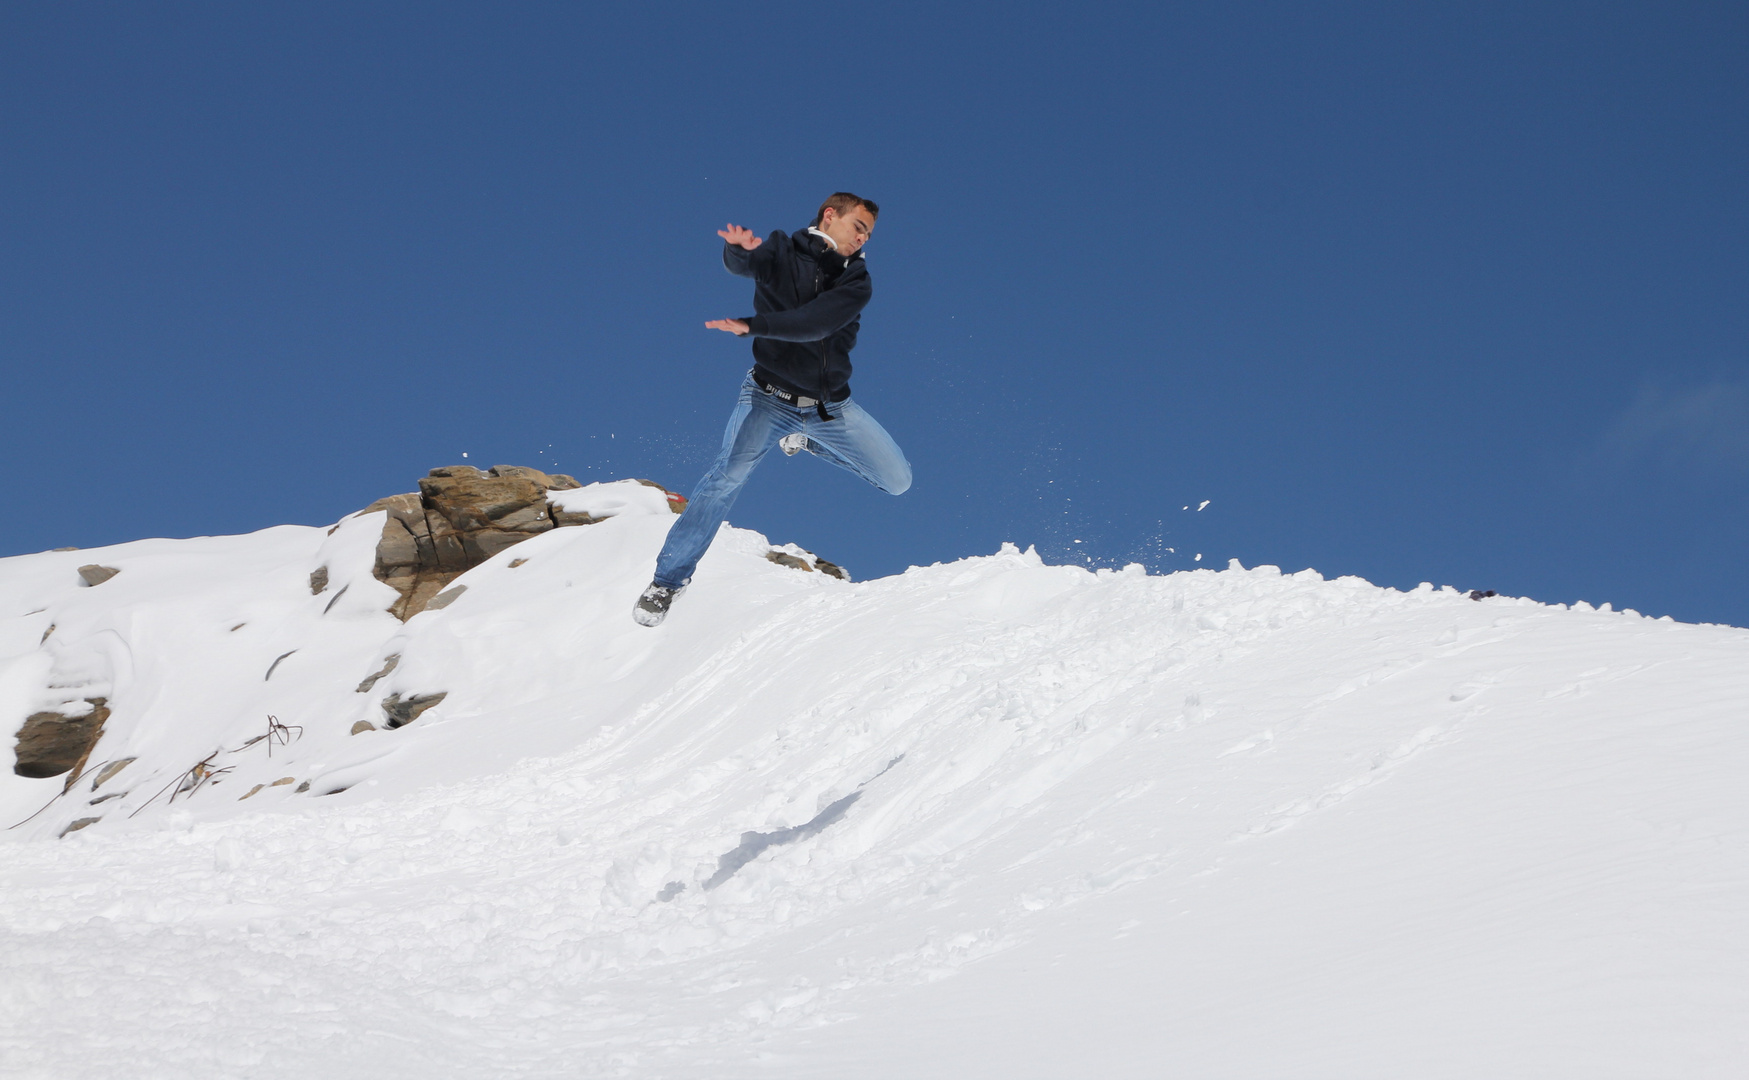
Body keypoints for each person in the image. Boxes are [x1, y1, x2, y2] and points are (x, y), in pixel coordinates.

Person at [634, 192, 912, 626]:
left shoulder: (856, 280)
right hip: (766, 399)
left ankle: (803, 440)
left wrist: (754, 326)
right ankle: (667, 582)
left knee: (897, 481)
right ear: (829, 215)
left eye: (868, 234)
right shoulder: (782, 250)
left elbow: (815, 323)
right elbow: (747, 264)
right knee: (725, 478)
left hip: (830, 409)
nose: (862, 239)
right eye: (858, 227)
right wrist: (738, 251)